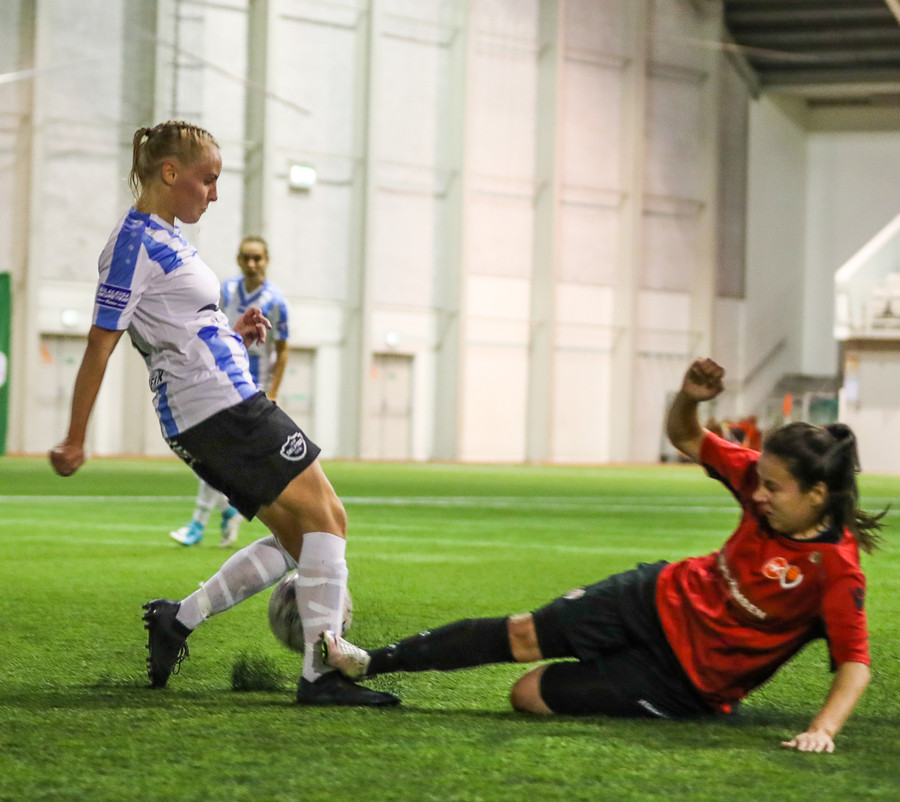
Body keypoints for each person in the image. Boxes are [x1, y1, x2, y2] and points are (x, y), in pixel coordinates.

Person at [320, 358, 884, 750]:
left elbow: (855, 663)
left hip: (684, 679)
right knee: (523, 632)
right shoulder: (759, 482)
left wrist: (824, 729)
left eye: (774, 488)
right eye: (759, 480)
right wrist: (688, 398)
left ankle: (628, 677)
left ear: (817, 495)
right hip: (656, 597)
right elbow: (687, 438)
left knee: (528, 695)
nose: (758, 493)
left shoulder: (835, 570)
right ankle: (369, 662)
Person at [49, 120, 397, 707]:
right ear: (170, 173)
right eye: (207, 179)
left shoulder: (165, 236)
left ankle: (177, 620)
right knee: (328, 520)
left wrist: (232, 334)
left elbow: (173, 329)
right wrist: (75, 437)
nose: (214, 193)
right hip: (217, 407)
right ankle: (321, 676)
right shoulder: (133, 244)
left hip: (215, 402)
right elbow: (100, 344)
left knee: (301, 539)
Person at [169, 235, 290, 548]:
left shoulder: (276, 301)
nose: (252, 264)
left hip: (253, 385)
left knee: (218, 453)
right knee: (214, 452)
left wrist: (273, 391)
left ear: (266, 260)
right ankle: (226, 511)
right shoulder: (226, 290)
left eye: (257, 258)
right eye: (246, 257)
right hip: (221, 377)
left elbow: (282, 352)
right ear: (239, 260)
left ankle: (203, 521)